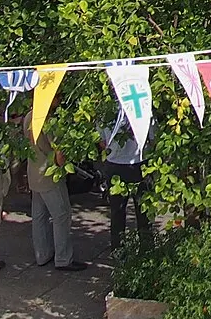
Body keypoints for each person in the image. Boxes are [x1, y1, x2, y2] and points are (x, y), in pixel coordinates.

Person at [28, 143, 87, 272]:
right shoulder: (47, 122)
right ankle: (63, 258)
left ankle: (42, 254)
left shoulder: (29, 121)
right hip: (50, 176)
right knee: (61, 215)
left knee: (39, 216)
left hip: (34, 172)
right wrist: (65, 167)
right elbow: (59, 151)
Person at [101, 114, 149, 247]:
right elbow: (151, 136)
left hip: (116, 163)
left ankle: (118, 249)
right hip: (137, 162)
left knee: (118, 212)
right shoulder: (141, 106)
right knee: (142, 211)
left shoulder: (105, 110)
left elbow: (102, 140)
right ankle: (147, 250)